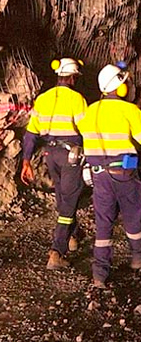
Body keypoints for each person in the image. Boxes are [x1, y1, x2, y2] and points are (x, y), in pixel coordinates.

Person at [77, 62, 141, 288]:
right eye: (126, 82)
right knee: (132, 214)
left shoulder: (89, 111)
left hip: (98, 176)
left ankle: (99, 274)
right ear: (120, 86)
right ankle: (139, 256)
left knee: (103, 223)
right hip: (124, 173)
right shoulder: (129, 110)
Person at [20, 57, 88, 270]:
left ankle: (72, 235)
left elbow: (31, 133)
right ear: (73, 77)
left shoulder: (43, 99)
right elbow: (87, 131)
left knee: (63, 196)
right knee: (69, 200)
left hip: (51, 154)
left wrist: (26, 160)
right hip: (71, 155)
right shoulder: (77, 99)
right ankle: (57, 252)